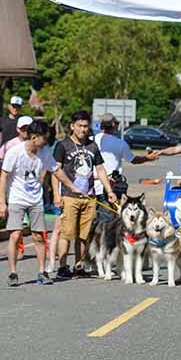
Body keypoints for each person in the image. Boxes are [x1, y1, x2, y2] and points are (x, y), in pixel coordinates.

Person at [0, 121, 79, 286]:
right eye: (44, 138)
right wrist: (2, 202)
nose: (46, 142)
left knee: (39, 237)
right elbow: (3, 177)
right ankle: (13, 272)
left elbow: (56, 171)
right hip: (17, 199)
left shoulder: (44, 152)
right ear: (34, 137)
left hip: (36, 200)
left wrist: (72, 187)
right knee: (15, 235)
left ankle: (42, 271)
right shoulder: (14, 152)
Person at [52, 110, 117, 279]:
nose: (82, 129)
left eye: (86, 126)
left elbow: (100, 169)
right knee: (66, 234)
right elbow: (55, 170)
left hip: (89, 197)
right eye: (79, 126)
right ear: (72, 127)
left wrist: (109, 190)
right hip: (69, 196)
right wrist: (57, 196)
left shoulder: (92, 146)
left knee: (84, 235)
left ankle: (79, 265)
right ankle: (62, 266)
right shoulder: (62, 145)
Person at [93, 113, 159, 200]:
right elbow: (133, 160)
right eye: (117, 122)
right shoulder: (120, 143)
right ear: (113, 124)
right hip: (111, 188)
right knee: (109, 213)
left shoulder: (91, 140)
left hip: (91, 187)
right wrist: (148, 158)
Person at [0, 96, 24, 174]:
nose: (15, 109)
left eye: (18, 106)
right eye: (13, 106)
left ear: (21, 107)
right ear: (9, 106)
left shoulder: (23, 120)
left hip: (20, 154)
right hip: (5, 154)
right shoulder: (3, 120)